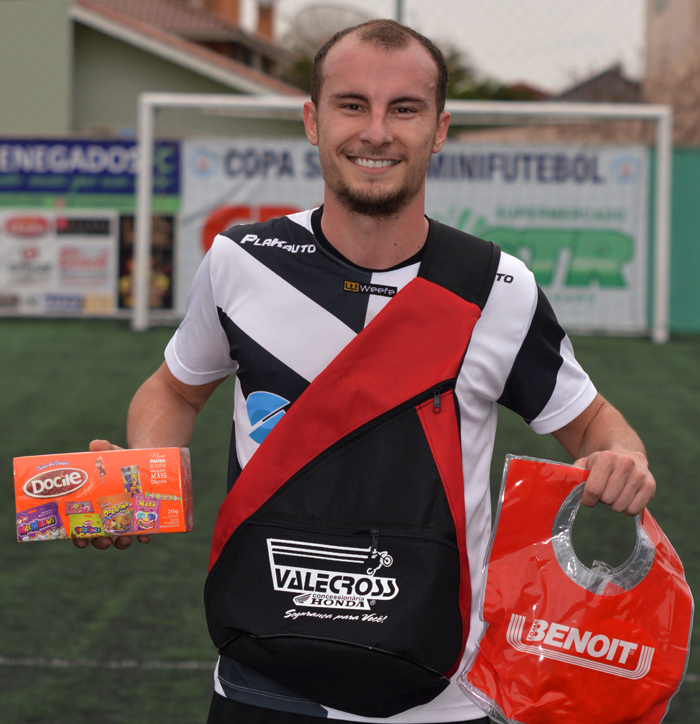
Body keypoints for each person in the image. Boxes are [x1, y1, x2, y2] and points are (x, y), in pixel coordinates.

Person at [76, 19, 656, 724]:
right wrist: (142, 475)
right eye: (352, 105)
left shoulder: (498, 289)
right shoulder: (242, 261)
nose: (376, 132)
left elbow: (593, 421)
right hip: (264, 681)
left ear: (438, 130)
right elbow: (173, 386)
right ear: (312, 121)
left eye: (403, 109)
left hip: (441, 697)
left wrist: (623, 458)